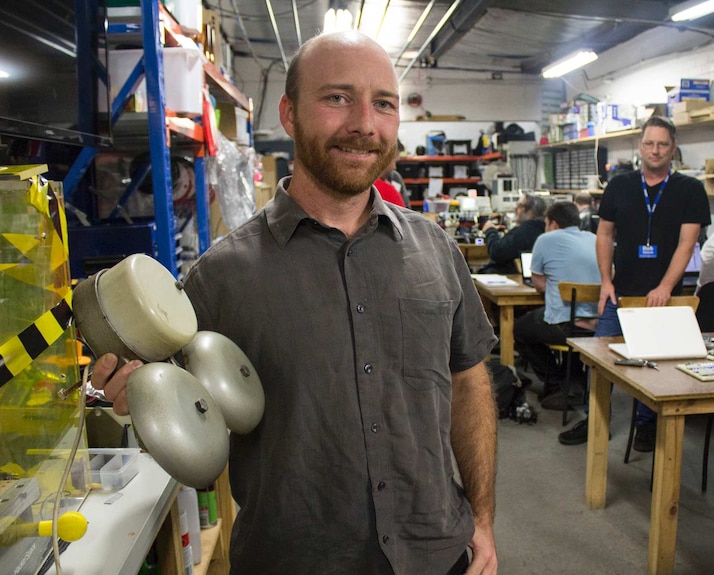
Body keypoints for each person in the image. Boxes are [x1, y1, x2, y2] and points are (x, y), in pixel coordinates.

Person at [90, 31, 499, 575]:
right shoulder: (221, 277)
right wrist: (127, 388)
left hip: (435, 552)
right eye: (336, 98)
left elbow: (469, 382)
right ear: (288, 114)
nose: (363, 123)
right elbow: (166, 398)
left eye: (383, 103)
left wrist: (484, 520)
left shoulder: (438, 251)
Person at [558, 116, 711, 448]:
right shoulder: (620, 185)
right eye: (649, 143)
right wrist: (605, 280)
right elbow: (605, 235)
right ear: (640, 146)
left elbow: (688, 244)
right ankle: (594, 418)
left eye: (663, 144)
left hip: (662, 297)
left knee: (653, 365)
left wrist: (665, 287)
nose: (655, 150)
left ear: (673, 149)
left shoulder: (690, 190)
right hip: (620, 293)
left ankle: (646, 424)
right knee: (599, 361)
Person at [513, 201, 600, 410]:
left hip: (566, 325)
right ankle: (574, 381)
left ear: (553, 223)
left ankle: (556, 383)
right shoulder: (594, 238)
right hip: (598, 325)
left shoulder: (545, 239)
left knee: (520, 329)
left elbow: (539, 284)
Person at [478, 193, 547, 274]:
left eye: (520, 206)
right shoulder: (543, 229)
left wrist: (490, 231)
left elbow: (497, 252)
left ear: (531, 212)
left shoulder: (525, 231)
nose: (515, 208)